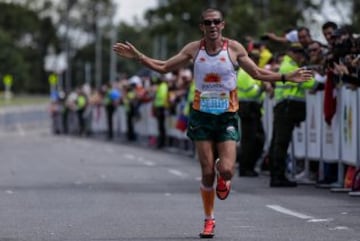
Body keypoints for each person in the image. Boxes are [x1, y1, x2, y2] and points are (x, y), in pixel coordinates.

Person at [113, 8, 312, 238]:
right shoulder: (194, 49)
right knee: (207, 174)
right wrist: (138, 57)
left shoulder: (234, 48)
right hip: (201, 116)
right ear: (202, 27)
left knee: (226, 170)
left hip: (227, 115)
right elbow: (165, 66)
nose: (213, 26)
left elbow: (257, 72)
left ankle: (223, 175)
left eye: (216, 21)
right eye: (208, 22)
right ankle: (209, 220)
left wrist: (286, 77)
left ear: (223, 24)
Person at [268, 43, 315, 188]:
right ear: (290, 52)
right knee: (281, 143)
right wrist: (313, 75)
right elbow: (310, 84)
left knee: (278, 142)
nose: (300, 55)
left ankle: (277, 175)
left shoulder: (287, 64)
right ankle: (278, 177)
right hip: (286, 108)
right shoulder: (291, 67)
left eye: (301, 52)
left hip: (283, 107)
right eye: (297, 52)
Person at [236, 49, 272, 177]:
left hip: (253, 109)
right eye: (255, 59)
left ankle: (248, 166)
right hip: (248, 108)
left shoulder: (250, 72)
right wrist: (263, 87)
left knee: (256, 139)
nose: (256, 62)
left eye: (257, 59)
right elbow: (251, 91)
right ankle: (245, 167)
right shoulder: (245, 73)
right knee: (250, 140)